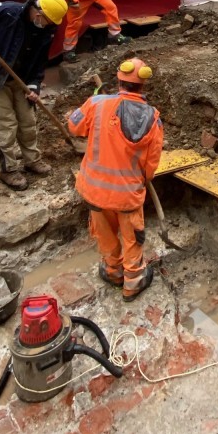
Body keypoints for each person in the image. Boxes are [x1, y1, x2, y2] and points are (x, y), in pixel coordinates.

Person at [68, 57, 164, 302]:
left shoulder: (97, 103)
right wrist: (142, 179)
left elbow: (74, 126)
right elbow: (151, 164)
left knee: (104, 232)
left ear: (118, 79)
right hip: (127, 193)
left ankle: (113, 271)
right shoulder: (153, 118)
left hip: (94, 189)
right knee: (132, 235)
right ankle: (133, 281)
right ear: (144, 86)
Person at [0, 0, 68, 191]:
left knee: (27, 120)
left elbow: (39, 62)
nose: (47, 25)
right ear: (38, 13)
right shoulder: (8, 12)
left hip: (21, 80)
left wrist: (33, 86)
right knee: (6, 123)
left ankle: (32, 160)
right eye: (46, 21)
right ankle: (8, 170)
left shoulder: (46, 31)